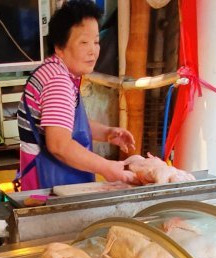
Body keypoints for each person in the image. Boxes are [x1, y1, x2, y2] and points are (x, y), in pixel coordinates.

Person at [16, 0, 137, 191]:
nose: (93, 50)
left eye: (96, 41)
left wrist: (106, 133)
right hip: (49, 189)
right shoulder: (58, 82)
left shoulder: (54, 71)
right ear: (59, 47)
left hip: (47, 184)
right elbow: (59, 144)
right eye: (83, 42)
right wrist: (106, 167)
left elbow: (65, 124)